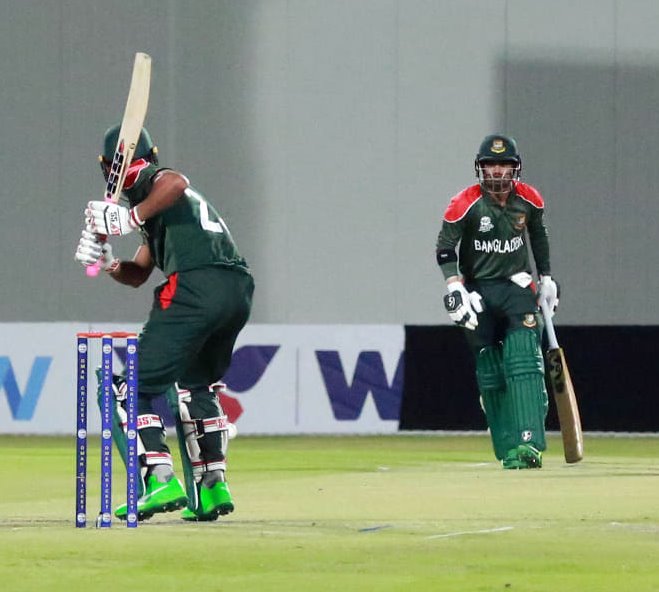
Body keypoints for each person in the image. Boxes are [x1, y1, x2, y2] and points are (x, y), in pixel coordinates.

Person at [75, 126, 254, 519]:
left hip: (195, 285)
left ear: (108, 166)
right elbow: (139, 272)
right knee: (195, 387)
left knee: (127, 389)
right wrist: (109, 264)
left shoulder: (155, 183)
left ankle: (159, 478)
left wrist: (128, 217)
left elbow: (175, 180)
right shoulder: (160, 212)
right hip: (235, 289)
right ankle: (212, 488)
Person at [435, 134, 558, 469]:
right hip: (478, 291)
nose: (498, 172)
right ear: (481, 168)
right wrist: (454, 288)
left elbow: (538, 236)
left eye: (504, 165)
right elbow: (445, 248)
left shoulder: (529, 200)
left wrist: (546, 278)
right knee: (489, 367)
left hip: (517, 286)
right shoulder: (464, 203)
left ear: (514, 168)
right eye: (491, 165)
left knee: (524, 361)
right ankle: (507, 445)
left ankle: (528, 444)